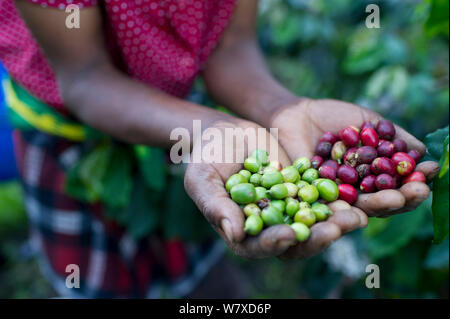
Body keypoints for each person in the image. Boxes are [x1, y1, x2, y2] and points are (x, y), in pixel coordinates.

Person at [0, 0, 439, 298]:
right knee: (98, 280)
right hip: (70, 133)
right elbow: (85, 77)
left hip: (183, 118)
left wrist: (283, 108)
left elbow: (231, 47)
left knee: (199, 270)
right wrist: (213, 127)